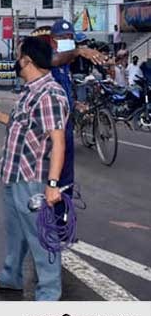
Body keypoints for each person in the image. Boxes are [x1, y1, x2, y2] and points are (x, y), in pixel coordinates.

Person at [0, 36, 69, 301]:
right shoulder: (30, 90)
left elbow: (58, 142)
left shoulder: (50, 95)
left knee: (41, 239)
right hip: (14, 174)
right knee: (16, 234)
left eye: (18, 57)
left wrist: (52, 185)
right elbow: (25, 126)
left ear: (27, 60)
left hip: (32, 179)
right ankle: (10, 278)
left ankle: (48, 295)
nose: (16, 61)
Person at [48, 20, 106, 192]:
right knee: (54, 177)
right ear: (52, 40)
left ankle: (65, 205)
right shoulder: (47, 58)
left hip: (67, 124)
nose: (67, 40)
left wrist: (74, 104)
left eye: (70, 37)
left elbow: (63, 89)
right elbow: (53, 61)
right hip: (53, 128)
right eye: (62, 37)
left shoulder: (66, 64)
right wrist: (79, 51)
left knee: (66, 179)